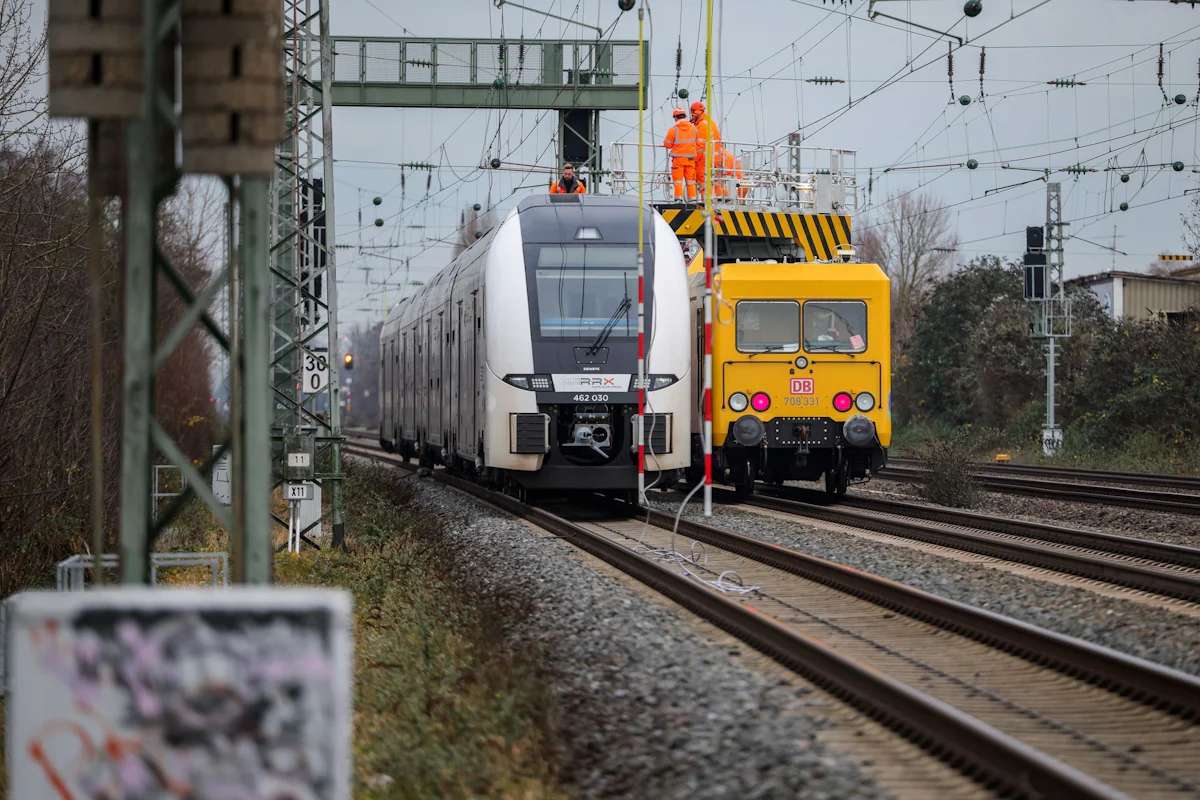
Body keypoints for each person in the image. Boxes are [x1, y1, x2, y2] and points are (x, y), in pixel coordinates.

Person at [662, 107, 698, 201]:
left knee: (678, 181)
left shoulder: (673, 129)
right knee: (690, 181)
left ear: (675, 117)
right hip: (690, 159)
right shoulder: (694, 128)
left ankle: (678, 199)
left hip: (678, 159)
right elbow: (697, 141)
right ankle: (693, 199)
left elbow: (667, 144)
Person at [690, 101, 721, 197]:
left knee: (703, 181)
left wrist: (693, 161)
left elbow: (700, 146)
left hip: (705, 159)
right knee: (715, 183)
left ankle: (705, 202)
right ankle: (717, 200)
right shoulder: (709, 122)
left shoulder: (703, 125)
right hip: (715, 158)